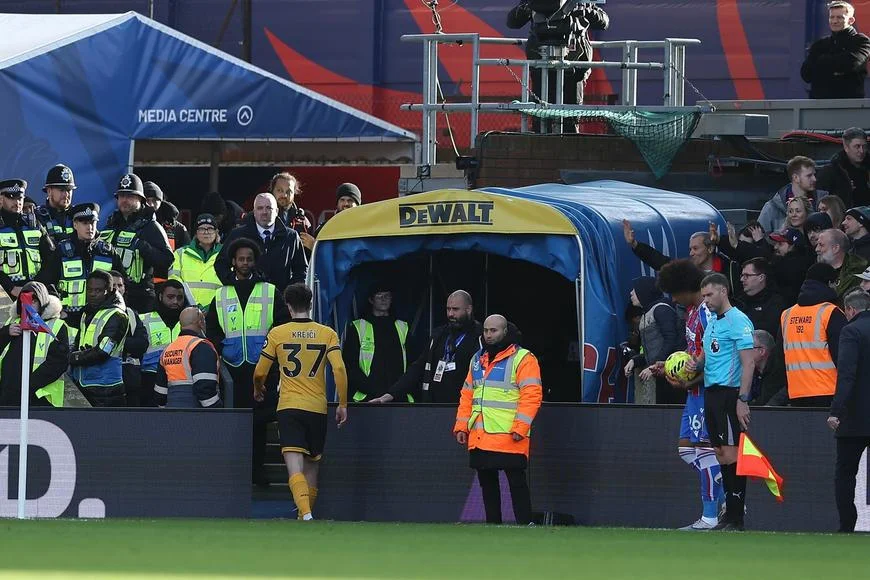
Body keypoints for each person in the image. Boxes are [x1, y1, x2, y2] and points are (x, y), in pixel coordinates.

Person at [253, 283, 348, 521]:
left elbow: (259, 372)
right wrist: (343, 404)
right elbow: (339, 369)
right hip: (317, 406)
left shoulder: (278, 333)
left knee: (294, 465)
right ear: (310, 304)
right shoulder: (327, 333)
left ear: (288, 306)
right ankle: (305, 515)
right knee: (312, 465)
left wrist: (258, 388)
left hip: (289, 405)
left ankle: (305, 513)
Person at [206, 237, 287, 484]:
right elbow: (213, 330)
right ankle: (237, 471)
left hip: (262, 367)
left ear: (254, 261)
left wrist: (272, 356)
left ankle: (257, 471)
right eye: (240, 259)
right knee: (235, 424)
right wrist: (221, 352)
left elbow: (282, 325)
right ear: (233, 261)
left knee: (260, 423)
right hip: (232, 370)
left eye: (249, 259)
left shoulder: (270, 291)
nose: (244, 263)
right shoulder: (220, 294)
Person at [453, 314, 542, 525]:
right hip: (481, 435)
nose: (488, 335)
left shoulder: (523, 358)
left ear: (505, 332)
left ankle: (524, 523)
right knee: (486, 481)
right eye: (485, 330)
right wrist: (461, 426)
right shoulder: (477, 359)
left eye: (494, 331)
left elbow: (532, 396)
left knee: (516, 481)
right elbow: (467, 395)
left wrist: (521, 427)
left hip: (510, 434)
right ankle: (493, 526)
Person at [655, 259, 723, 531]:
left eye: (673, 292)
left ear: (684, 288)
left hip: (707, 390)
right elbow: (694, 350)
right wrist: (673, 368)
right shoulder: (693, 311)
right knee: (686, 450)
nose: (672, 299)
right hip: (694, 391)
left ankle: (710, 517)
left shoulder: (707, 311)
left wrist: (692, 378)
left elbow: (717, 354)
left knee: (706, 452)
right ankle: (728, 493)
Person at [689, 273, 755, 531]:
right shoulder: (714, 322)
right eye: (703, 296)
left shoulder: (738, 320)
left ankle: (736, 517)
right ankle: (729, 514)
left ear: (723, 291)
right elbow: (708, 353)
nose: (705, 301)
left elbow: (749, 362)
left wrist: (743, 399)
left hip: (730, 393)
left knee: (731, 453)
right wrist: (697, 362)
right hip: (712, 393)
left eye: (709, 295)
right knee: (719, 453)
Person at [506, 0, 609, 133]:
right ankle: (542, 146)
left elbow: (603, 21)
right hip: (541, 65)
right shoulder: (531, 3)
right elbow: (512, 22)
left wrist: (585, 11)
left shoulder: (578, 3)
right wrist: (526, 9)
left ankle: (566, 144)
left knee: (569, 117)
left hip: (573, 66)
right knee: (541, 116)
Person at [370, 290, 482, 404]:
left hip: (465, 406)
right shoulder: (439, 334)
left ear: (468, 309)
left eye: (455, 309)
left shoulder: (480, 337)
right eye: (448, 309)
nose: (450, 314)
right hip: (434, 406)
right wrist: (390, 394)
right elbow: (418, 367)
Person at [35, 203, 123, 328]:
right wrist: (58, 309)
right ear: (75, 225)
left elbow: (123, 283)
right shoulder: (62, 251)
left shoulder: (108, 251)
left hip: (103, 317)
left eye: (92, 223)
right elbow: (45, 282)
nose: (90, 227)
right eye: (84, 223)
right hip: (70, 319)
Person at [99, 174, 174, 313]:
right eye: (121, 196)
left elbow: (167, 260)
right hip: (110, 295)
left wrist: (143, 247)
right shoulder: (112, 224)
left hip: (140, 298)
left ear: (140, 199)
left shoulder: (151, 226)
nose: (124, 200)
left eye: (129, 196)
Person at [828, 289, 870, 533]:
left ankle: (847, 526)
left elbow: (846, 375)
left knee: (845, 473)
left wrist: (836, 411)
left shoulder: (851, 331)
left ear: (850, 310)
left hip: (854, 417)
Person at [781, 263, 847, 407]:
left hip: (796, 392)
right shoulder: (831, 313)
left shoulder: (786, 315)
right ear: (829, 283)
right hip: (829, 391)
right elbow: (843, 356)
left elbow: (781, 357)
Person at [215, 192, 307, 292]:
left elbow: (301, 270)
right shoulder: (237, 235)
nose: (264, 212)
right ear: (254, 212)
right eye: (260, 208)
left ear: (276, 211)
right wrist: (236, 284)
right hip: (247, 302)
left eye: (268, 208)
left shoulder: (291, 236)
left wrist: (290, 295)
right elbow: (221, 264)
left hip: (280, 303)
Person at [0, 281, 69, 407]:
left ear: (42, 302)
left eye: (33, 301)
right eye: (23, 300)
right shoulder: (13, 321)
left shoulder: (56, 326)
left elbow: (58, 363)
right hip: (7, 395)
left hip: (38, 398)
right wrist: (4, 333)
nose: (27, 305)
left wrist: (27, 385)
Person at [68, 270, 129, 407]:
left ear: (110, 290)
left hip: (107, 388)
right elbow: (79, 342)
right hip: (84, 382)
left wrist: (74, 357)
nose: (92, 294)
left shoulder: (117, 315)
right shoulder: (86, 312)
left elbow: (103, 351)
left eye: (98, 290)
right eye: (89, 290)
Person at [623, 220, 738, 291]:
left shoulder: (730, 269)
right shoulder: (688, 270)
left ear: (710, 248)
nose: (691, 253)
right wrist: (635, 244)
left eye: (695, 248)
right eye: (690, 249)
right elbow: (660, 261)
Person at [342, 285, 410, 402]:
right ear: (371, 300)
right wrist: (374, 390)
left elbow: (412, 363)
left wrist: (397, 390)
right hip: (367, 397)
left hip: (397, 397)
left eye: (387, 296)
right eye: (379, 296)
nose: (384, 299)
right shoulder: (358, 327)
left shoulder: (402, 327)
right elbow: (349, 365)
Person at [622, 276, 683, 404]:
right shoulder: (647, 313)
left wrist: (654, 365)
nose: (631, 293)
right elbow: (653, 348)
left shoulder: (661, 309)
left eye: (634, 290)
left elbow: (671, 340)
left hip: (673, 374)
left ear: (643, 291)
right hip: (661, 374)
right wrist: (635, 360)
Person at [154, 307, 221, 408]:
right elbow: (205, 387)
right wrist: (218, 411)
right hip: (196, 413)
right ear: (201, 323)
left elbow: (160, 392)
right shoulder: (201, 347)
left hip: (171, 412)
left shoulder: (167, 349)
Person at [800, 2, 870, 99]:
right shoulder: (820, 44)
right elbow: (806, 74)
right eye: (831, 17)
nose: (834, 21)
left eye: (840, 17)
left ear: (851, 20)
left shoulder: (861, 41)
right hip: (818, 106)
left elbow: (852, 63)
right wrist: (837, 68)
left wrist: (821, 63)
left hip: (850, 106)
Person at [139, 280, 186, 407]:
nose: (175, 301)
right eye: (170, 297)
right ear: (160, 297)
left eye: (180, 298)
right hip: (150, 379)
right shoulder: (143, 319)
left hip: (180, 380)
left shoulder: (188, 321)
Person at [110, 270, 149, 407]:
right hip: (104, 383)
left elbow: (143, 343)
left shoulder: (132, 314)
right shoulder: (94, 313)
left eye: (120, 285)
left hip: (130, 380)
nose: (117, 289)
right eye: (113, 285)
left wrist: (117, 343)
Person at [0, 179, 44, 298]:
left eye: (19, 198)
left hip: (35, 292)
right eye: (12, 198)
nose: (17, 202)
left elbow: (51, 257)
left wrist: (39, 285)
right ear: (1, 199)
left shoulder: (34, 225)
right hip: (4, 294)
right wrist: (11, 287)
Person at [168, 213, 222, 310]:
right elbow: (174, 280)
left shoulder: (225, 254)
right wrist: (193, 304)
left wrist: (212, 307)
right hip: (186, 309)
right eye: (202, 229)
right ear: (196, 233)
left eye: (210, 228)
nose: (206, 232)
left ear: (216, 232)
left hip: (218, 309)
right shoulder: (180, 254)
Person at [758, 156, 824, 234]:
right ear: (796, 178)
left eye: (814, 175)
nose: (814, 179)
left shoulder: (822, 203)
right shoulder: (772, 207)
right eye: (809, 176)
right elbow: (760, 238)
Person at [817, 128, 870, 208]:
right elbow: (822, 204)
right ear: (846, 147)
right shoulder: (830, 172)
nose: (861, 151)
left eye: (864, 146)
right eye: (857, 146)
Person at [735, 258, 787, 338]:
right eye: (742, 275)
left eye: (746, 276)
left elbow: (770, 330)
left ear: (761, 277)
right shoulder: (739, 301)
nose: (742, 279)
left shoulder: (775, 302)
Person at [304, 183, 362, 251]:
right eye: (342, 200)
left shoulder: (365, 227)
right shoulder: (326, 227)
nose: (346, 204)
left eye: (350, 200)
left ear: (358, 205)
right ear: (337, 203)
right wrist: (314, 247)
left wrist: (316, 248)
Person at [816, 228, 868, 300]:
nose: (817, 249)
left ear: (835, 248)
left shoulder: (858, 270)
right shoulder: (815, 271)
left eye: (821, 245)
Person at [35, 163, 76, 245]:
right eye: (61, 190)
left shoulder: (78, 215)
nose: (66, 195)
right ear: (49, 191)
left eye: (68, 190)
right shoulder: (37, 217)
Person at [153, 200, 191, 284]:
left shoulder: (179, 229)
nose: (151, 204)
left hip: (170, 281)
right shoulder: (145, 226)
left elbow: (187, 253)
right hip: (146, 281)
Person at [750, 329, 787, 406]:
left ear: (762, 351)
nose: (743, 352)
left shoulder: (781, 375)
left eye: (748, 348)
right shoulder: (748, 373)